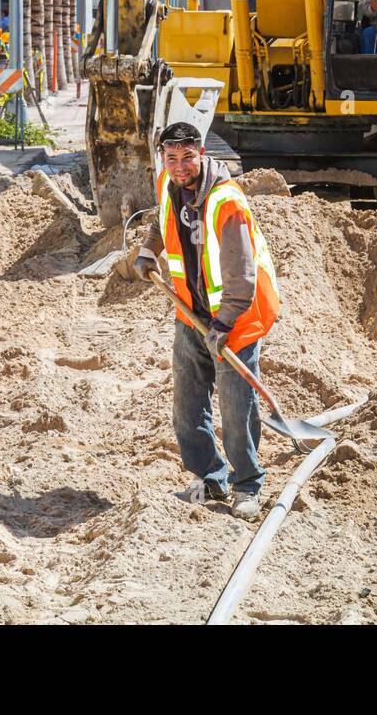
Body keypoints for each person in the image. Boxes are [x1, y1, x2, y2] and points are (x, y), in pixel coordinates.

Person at [132, 122, 280, 522]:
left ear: (201, 154)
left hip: (236, 317)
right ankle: (210, 476)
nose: (179, 167)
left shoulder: (225, 201)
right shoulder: (168, 182)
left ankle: (247, 484)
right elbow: (162, 222)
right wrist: (149, 250)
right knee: (188, 401)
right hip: (191, 312)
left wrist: (224, 325)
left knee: (235, 405)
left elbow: (242, 276)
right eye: (171, 157)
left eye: (187, 158)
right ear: (163, 156)